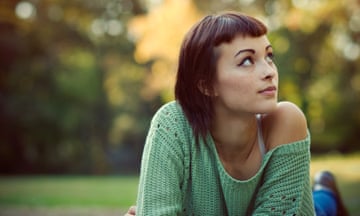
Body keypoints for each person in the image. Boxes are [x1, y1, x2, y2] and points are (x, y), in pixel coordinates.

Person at [125, 11, 347, 215]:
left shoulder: (286, 121)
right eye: (247, 60)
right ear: (207, 85)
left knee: (322, 208)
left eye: (269, 56)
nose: (269, 71)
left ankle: (326, 190)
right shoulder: (172, 125)